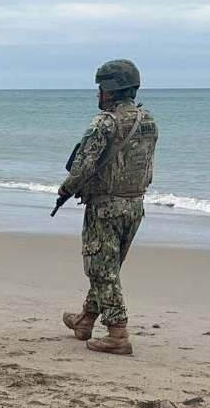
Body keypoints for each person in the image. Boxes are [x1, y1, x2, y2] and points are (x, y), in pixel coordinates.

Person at [58, 59, 158, 355]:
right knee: (109, 267)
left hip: (106, 207)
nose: (98, 93)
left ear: (111, 90)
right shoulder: (148, 120)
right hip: (135, 204)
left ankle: (117, 332)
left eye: (101, 87)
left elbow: (83, 166)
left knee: (101, 269)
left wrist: (66, 189)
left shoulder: (104, 123)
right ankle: (86, 319)